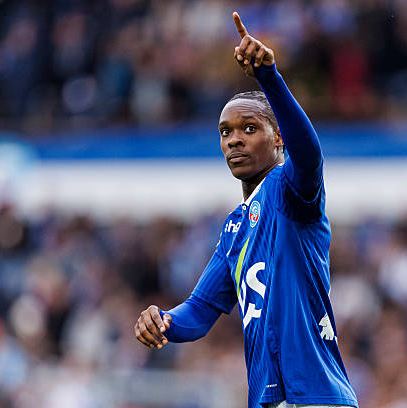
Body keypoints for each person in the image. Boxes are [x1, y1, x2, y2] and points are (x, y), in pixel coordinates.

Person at [135, 12, 358, 408]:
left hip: (315, 395)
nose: (234, 140)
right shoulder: (234, 228)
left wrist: (269, 78)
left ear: (279, 140)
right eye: (226, 132)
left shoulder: (288, 190)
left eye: (249, 128)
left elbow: (309, 156)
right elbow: (200, 310)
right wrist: (164, 320)